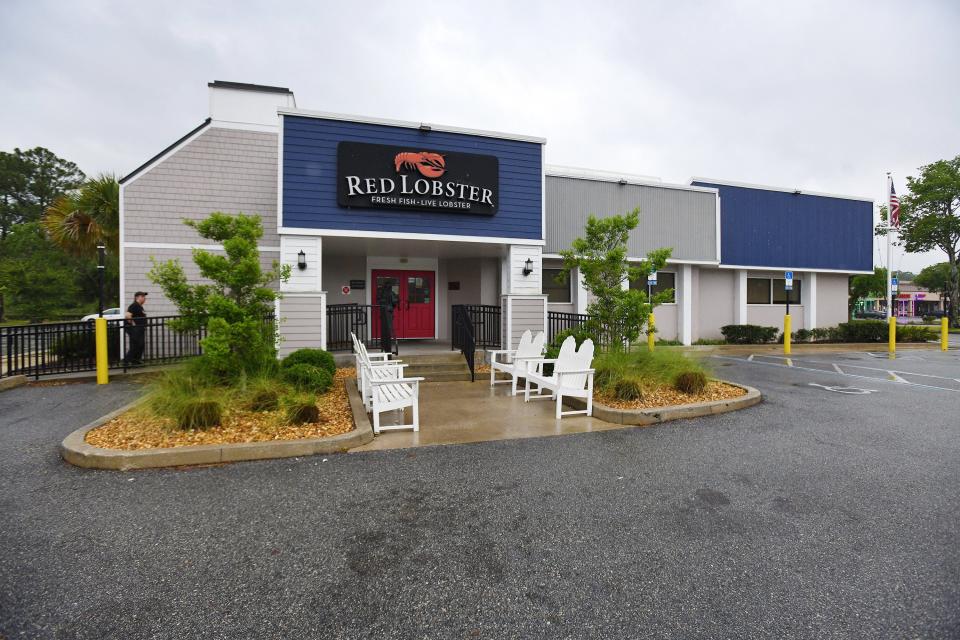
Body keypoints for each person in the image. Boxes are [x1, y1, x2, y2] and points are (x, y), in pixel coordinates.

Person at [123, 291, 148, 365]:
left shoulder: (139, 306)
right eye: (142, 296)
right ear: (137, 297)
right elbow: (128, 315)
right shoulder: (134, 305)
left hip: (139, 328)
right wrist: (133, 324)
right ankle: (126, 361)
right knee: (136, 345)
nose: (144, 298)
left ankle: (136, 361)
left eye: (144, 297)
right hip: (135, 329)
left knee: (141, 345)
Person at [378, 281, 398, 355]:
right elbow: (394, 301)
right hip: (388, 311)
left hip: (383, 311)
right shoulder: (390, 293)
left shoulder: (381, 292)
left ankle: (384, 345)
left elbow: (379, 301)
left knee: (385, 328)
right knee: (388, 328)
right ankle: (387, 347)